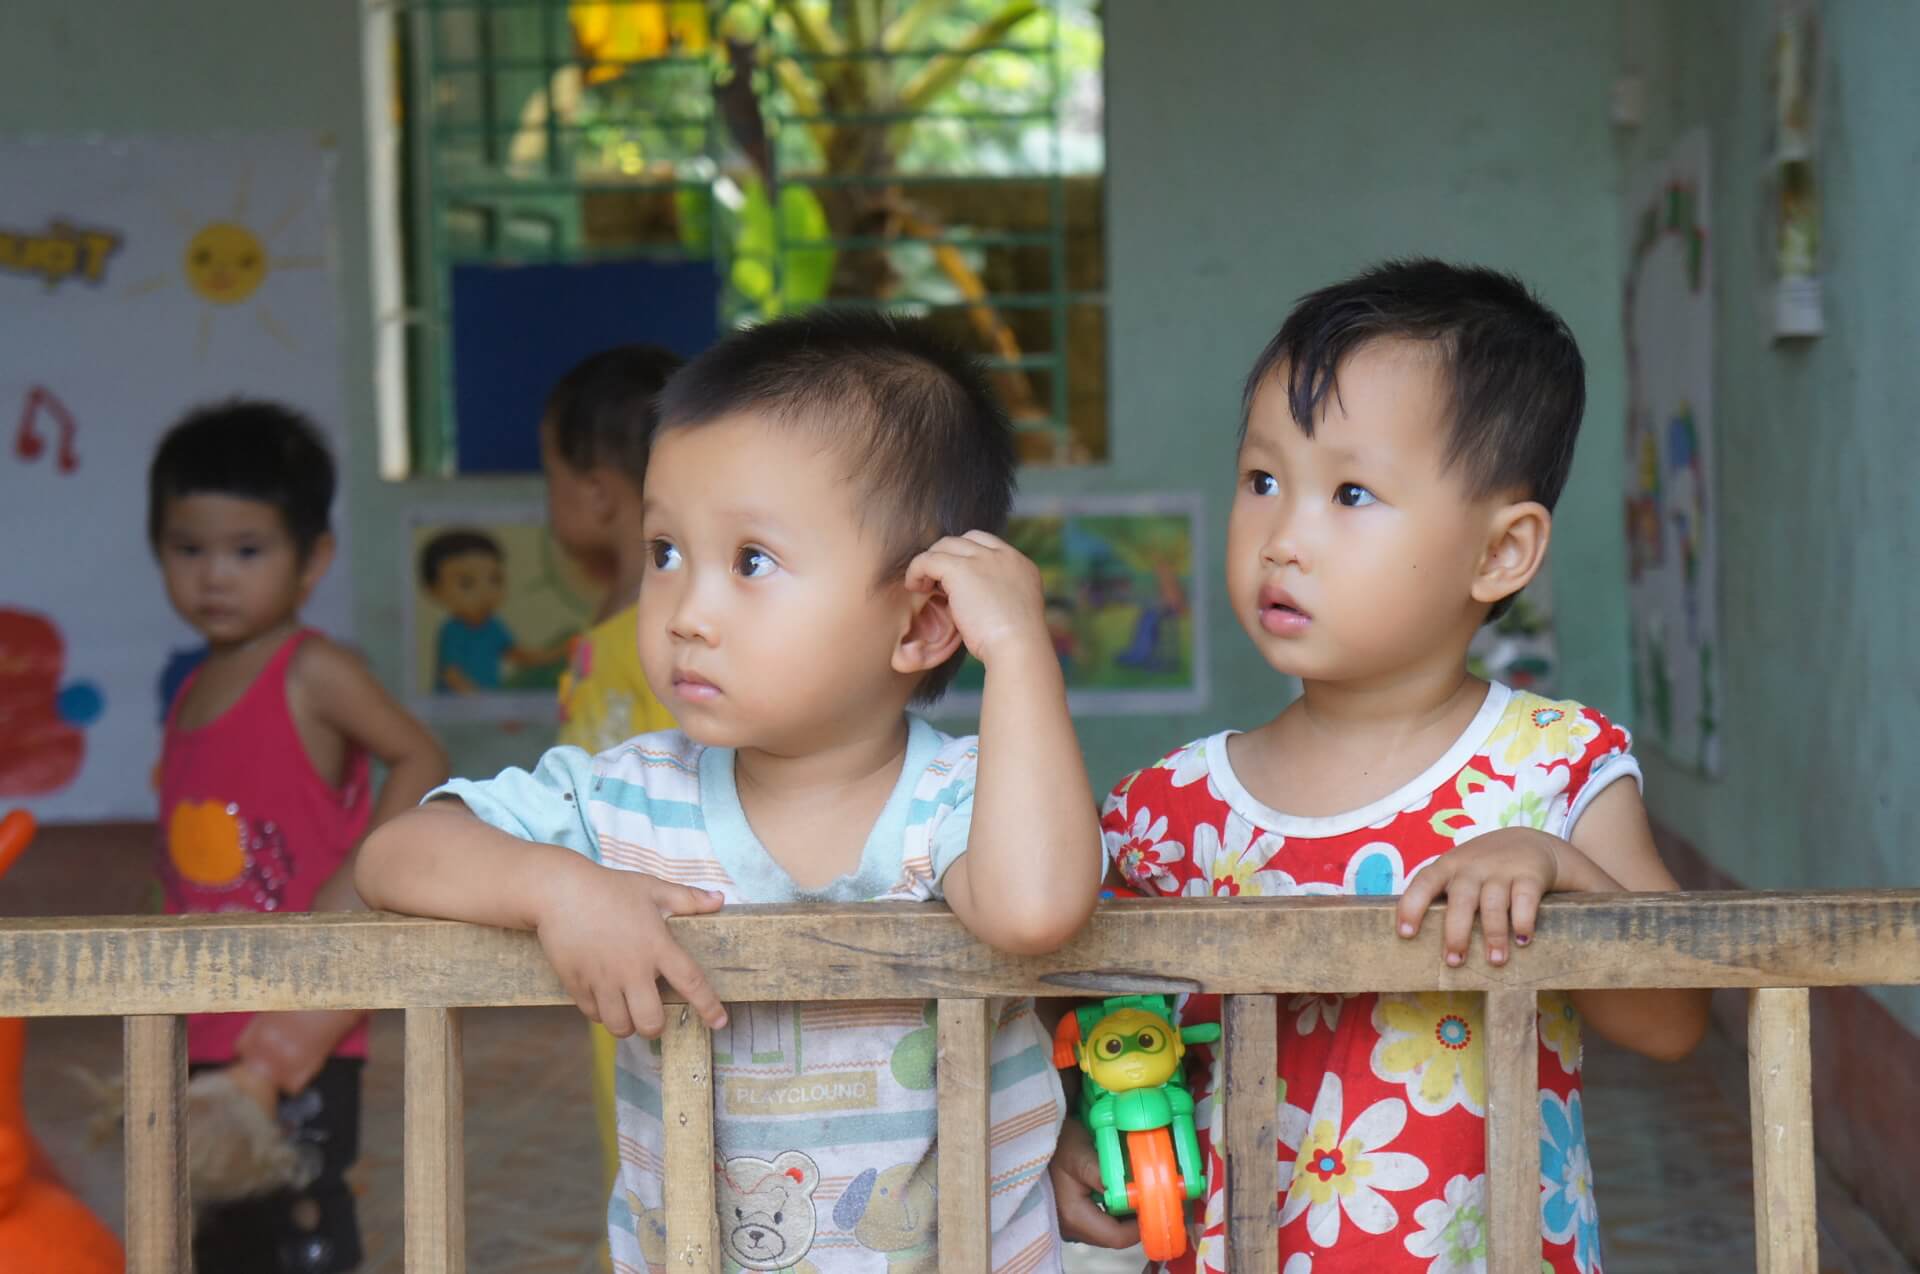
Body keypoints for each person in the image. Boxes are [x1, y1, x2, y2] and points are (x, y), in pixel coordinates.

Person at [358, 311, 1105, 1271]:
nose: (685, 613)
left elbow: (1037, 907)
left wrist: (1021, 654)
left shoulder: (953, 799)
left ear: (923, 623)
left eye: (751, 561)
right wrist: (556, 887)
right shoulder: (629, 800)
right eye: (665, 551)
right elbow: (395, 855)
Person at [1057, 260, 1712, 1272]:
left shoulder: (1551, 771)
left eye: (1351, 491)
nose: (1284, 536)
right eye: (1262, 479)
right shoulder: (1170, 808)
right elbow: (1109, 1026)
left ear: (1500, 553)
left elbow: (1673, 1022)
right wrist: (1076, 1130)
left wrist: (1564, 873)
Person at [149, 400, 449, 1274]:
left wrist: (366, 878)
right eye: (188, 549)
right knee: (221, 1229)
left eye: (248, 551)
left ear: (312, 558)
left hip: (299, 1018)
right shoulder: (190, 691)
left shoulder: (313, 671)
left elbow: (420, 752)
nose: (215, 576)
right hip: (205, 1014)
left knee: (301, 1215)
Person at [538, 343, 684, 1191]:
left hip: (660, 939)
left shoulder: (663, 643)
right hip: (609, 936)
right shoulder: (614, 630)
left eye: (549, 474)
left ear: (596, 491)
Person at [417, 528, 564, 694]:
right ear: (434, 591)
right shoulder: (452, 631)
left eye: (495, 579)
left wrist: (557, 653)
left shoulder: (493, 627)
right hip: (455, 710)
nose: (486, 593)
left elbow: (520, 656)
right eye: (467, 583)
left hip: (489, 706)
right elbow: (452, 675)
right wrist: (480, 700)